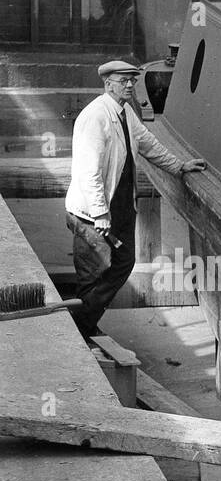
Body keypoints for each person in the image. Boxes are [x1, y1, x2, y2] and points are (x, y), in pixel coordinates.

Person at [64, 59, 205, 340]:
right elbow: (88, 171)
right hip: (92, 214)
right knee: (93, 273)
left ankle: (82, 321)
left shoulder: (124, 112)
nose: (129, 85)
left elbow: (149, 144)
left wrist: (178, 166)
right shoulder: (96, 117)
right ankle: (82, 328)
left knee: (123, 262)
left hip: (120, 207)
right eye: (122, 81)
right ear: (108, 84)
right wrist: (100, 213)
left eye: (132, 81)